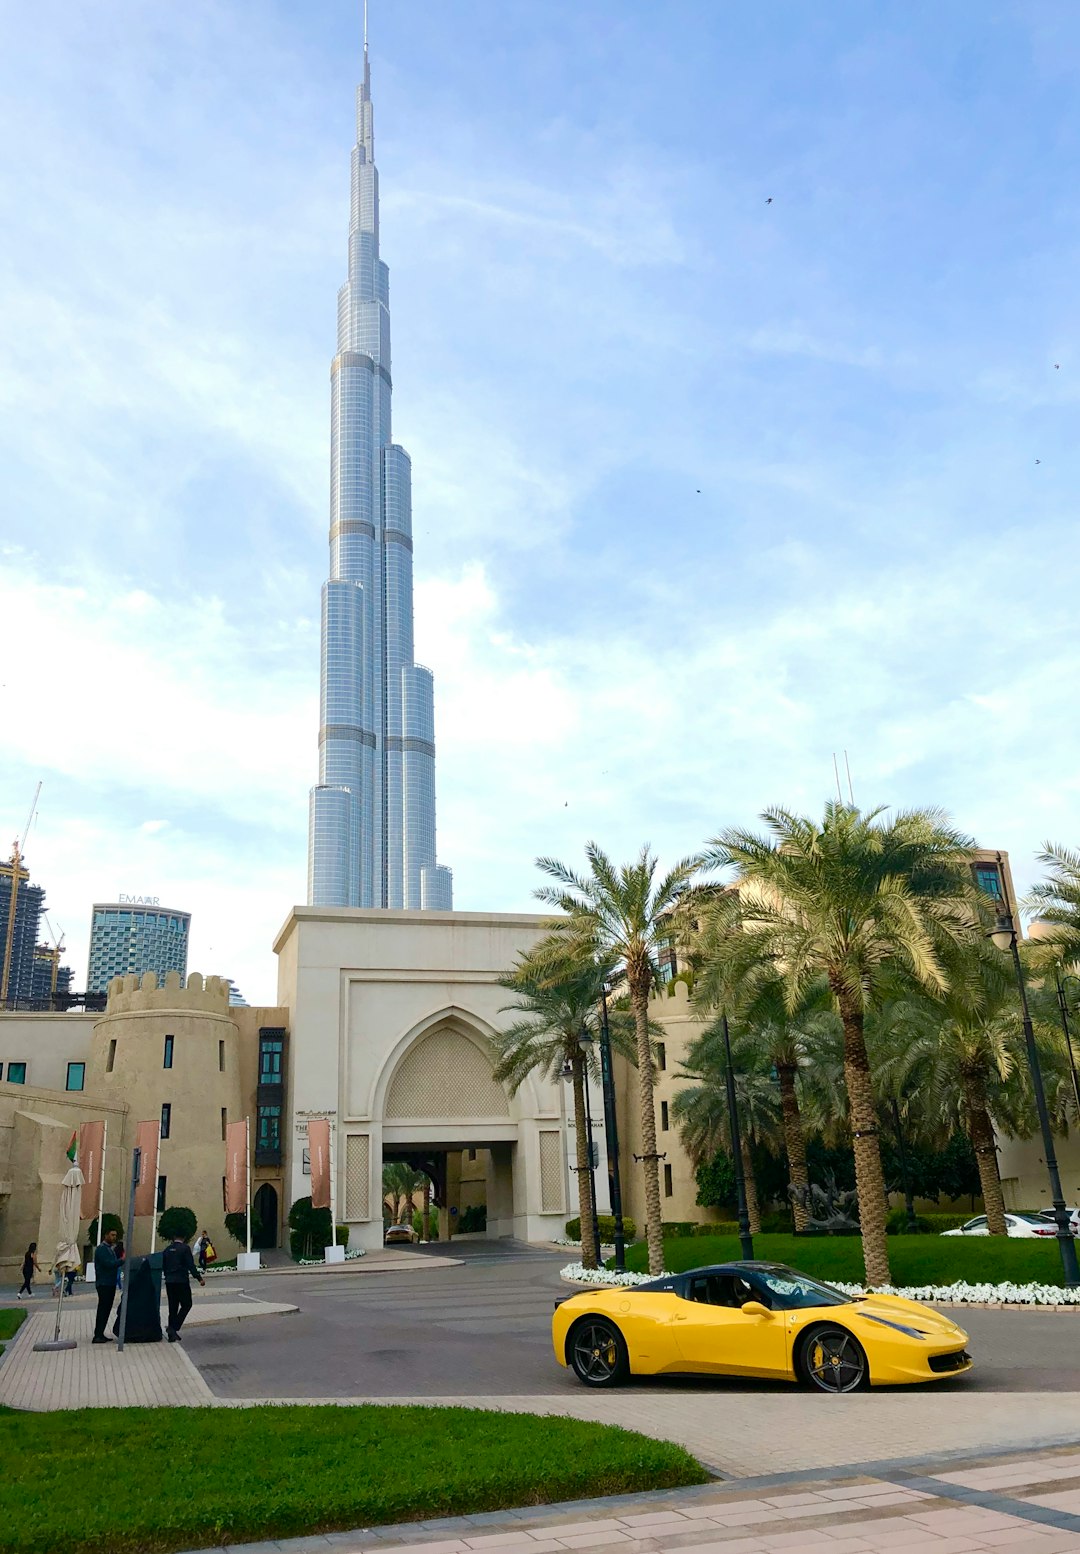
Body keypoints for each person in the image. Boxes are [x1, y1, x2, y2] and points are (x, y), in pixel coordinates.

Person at [162, 1230, 205, 1342]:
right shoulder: (185, 1249)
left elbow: (163, 1265)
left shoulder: (167, 1250)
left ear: (173, 1237)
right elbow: (190, 1265)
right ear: (184, 1237)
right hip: (181, 1281)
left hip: (169, 1282)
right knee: (187, 1304)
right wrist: (199, 1278)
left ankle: (172, 1335)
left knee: (173, 1307)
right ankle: (173, 1328)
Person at [92, 1229, 120, 1343]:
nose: (114, 1237)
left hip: (110, 1282)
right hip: (104, 1283)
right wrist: (121, 1261)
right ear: (106, 1235)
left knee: (106, 1309)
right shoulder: (102, 1249)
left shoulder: (109, 1249)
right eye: (112, 1235)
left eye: (115, 1235)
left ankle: (100, 1333)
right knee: (103, 1308)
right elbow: (108, 1264)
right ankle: (97, 1334)